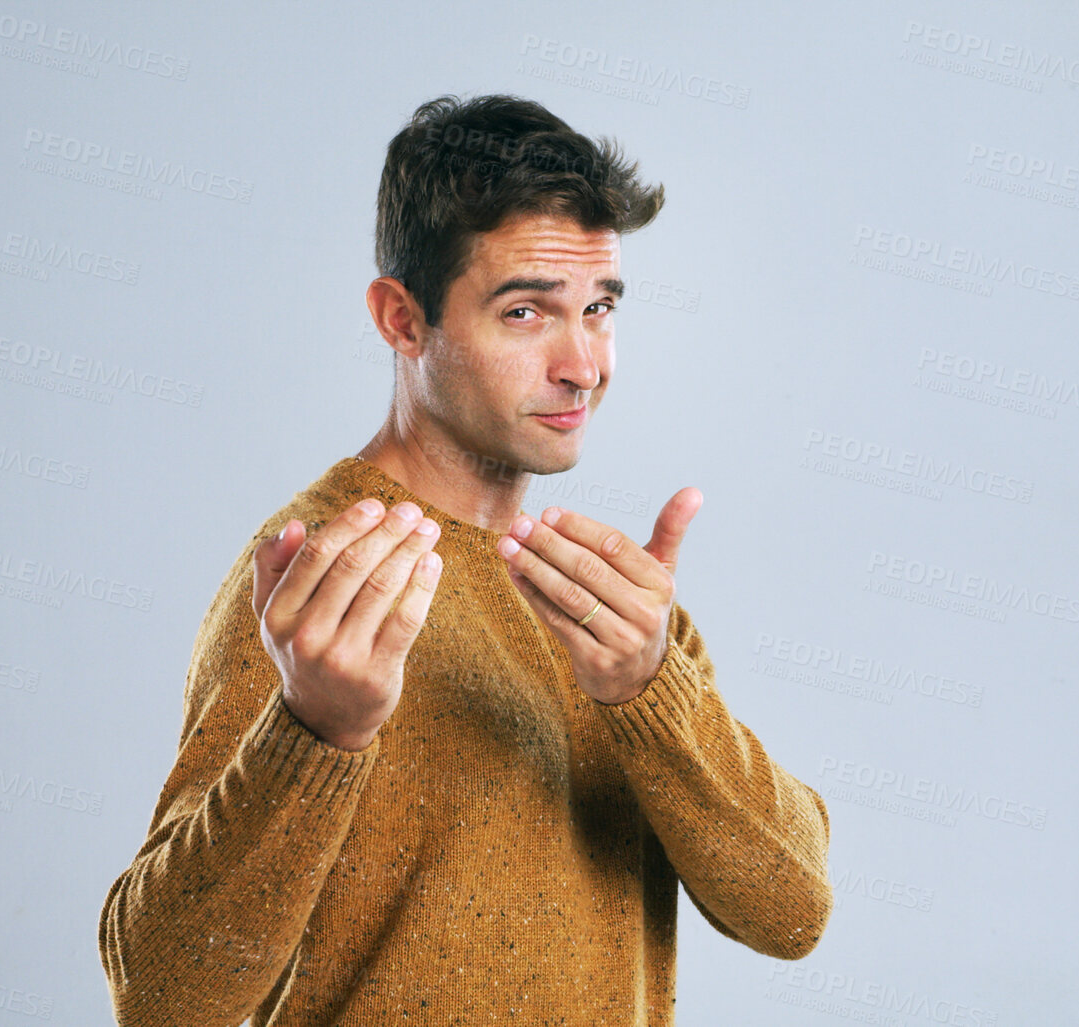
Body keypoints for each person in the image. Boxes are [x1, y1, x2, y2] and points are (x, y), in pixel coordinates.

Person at [98, 92, 832, 1025]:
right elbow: (163, 995)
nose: (583, 364)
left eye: (599, 308)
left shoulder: (606, 604)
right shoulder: (315, 579)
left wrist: (651, 690)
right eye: (526, 312)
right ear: (401, 319)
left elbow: (792, 912)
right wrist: (312, 729)